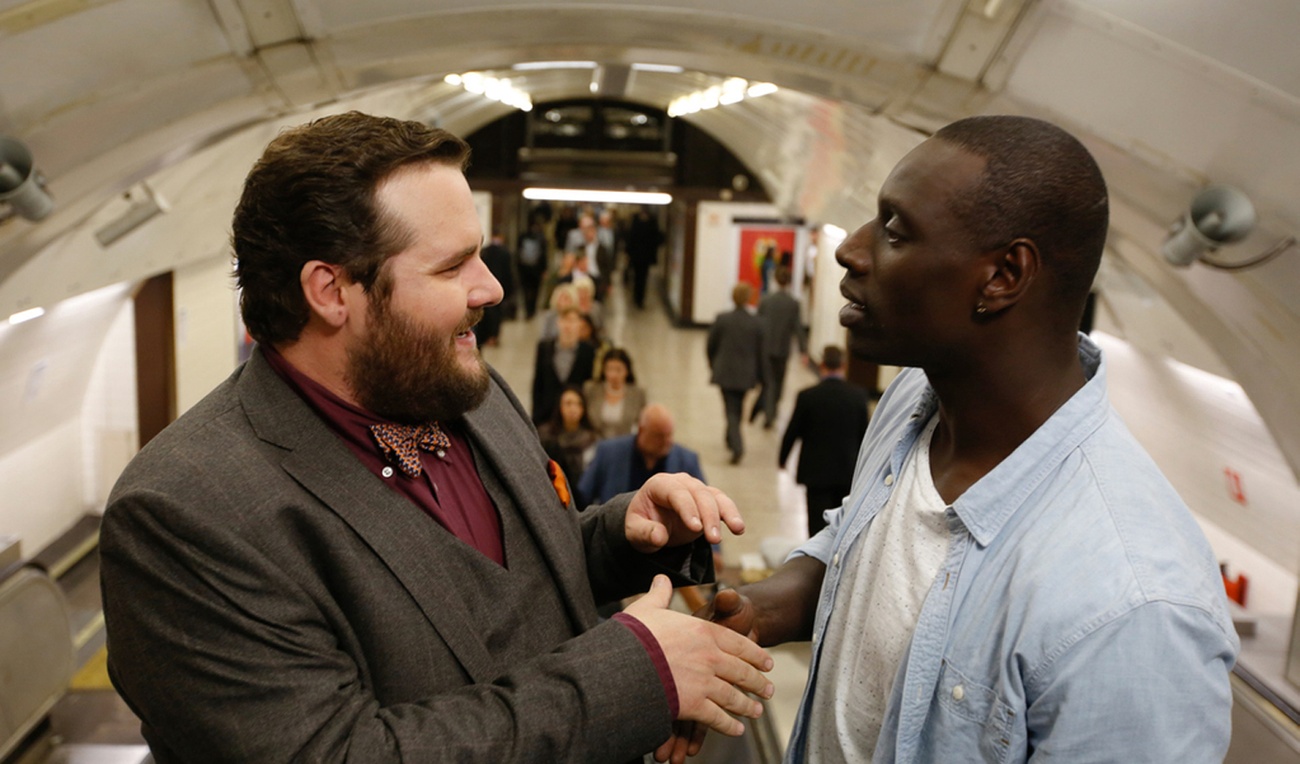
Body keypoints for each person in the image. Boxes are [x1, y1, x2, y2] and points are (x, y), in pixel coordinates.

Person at [98, 111, 774, 764]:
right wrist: (634, 677)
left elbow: (524, 579)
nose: (493, 288)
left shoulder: (460, 389)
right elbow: (336, 751)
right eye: (452, 268)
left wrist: (623, 536)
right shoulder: (186, 514)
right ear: (331, 290)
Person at [699, 115, 1238, 763]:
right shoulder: (912, 402)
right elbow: (863, 543)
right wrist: (763, 608)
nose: (853, 249)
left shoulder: (1131, 607)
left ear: (1004, 276)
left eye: (896, 230)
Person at [778, 345, 869, 537]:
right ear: (844, 366)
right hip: (847, 472)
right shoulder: (858, 396)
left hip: (815, 474)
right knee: (843, 524)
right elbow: (866, 436)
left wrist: (783, 459)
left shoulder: (808, 396)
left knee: (817, 528)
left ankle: (816, 563)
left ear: (822, 366)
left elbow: (793, 431)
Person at [580, 404, 705, 505]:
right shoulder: (608, 452)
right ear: (641, 430)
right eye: (659, 436)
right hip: (616, 532)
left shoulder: (687, 461)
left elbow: (703, 504)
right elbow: (582, 497)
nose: (667, 441)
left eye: (670, 435)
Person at [707, 282, 763, 465]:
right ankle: (731, 438)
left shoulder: (722, 319)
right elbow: (760, 351)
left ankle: (736, 444)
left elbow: (710, 346)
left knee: (731, 409)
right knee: (736, 408)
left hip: (725, 372)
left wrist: (714, 365)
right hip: (746, 375)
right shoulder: (756, 322)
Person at [749, 264, 808, 429]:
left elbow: (757, 325)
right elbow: (798, 327)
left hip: (765, 348)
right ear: (789, 282)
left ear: (775, 280)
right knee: (779, 383)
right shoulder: (793, 303)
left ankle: (767, 412)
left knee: (768, 383)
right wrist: (803, 351)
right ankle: (772, 411)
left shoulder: (765, 300)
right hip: (782, 349)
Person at [536, 385, 602, 506]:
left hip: (583, 496)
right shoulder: (545, 435)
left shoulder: (592, 438)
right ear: (560, 407)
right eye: (568, 403)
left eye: (578, 404)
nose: (573, 408)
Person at [531, 306, 596, 425]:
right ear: (558, 322)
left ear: (579, 324)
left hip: (574, 416)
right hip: (547, 413)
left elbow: (588, 383)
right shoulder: (545, 347)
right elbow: (538, 382)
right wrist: (535, 416)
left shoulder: (587, 351)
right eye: (565, 320)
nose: (568, 325)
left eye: (572, 320)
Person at [583, 347, 648, 440]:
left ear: (627, 371)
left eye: (618, 370)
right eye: (609, 369)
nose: (613, 375)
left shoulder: (637, 394)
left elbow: (642, 423)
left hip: (624, 442)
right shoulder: (591, 389)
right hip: (594, 442)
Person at [472, 233, 513, 346]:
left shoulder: (486, 251)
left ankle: (488, 336)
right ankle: (493, 336)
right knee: (497, 314)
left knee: (488, 313)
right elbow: (508, 273)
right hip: (501, 285)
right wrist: (509, 290)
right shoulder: (505, 252)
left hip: (484, 287)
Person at [626, 206, 663, 309]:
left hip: (643, 258)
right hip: (639, 257)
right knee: (639, 278)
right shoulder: (646, 222)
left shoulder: (648, 222)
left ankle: (639, 298)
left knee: (641, 278)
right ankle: (637, 298)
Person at [516, 215, 548, 319]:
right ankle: (532, 310)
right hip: (535, 270)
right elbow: (544, 255)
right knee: (535, 291)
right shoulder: (541, 238)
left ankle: (528, 311)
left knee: (526, 291)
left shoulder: (522, 237)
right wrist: (544, 269)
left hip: (525, 269)